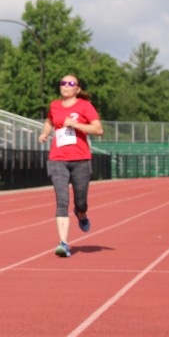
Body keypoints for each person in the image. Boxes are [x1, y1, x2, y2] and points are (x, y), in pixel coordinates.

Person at [38, 75, 103, 258]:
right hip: (57, 159)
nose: (66, 86)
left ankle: (81, 213)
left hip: (80, 160)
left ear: (78, 89)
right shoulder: (54, 106)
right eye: (63, 83)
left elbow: (98, 130)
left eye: (71, 83)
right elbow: (49, 121)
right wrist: (44, 134)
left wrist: (75, 124)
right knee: (62, 200)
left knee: (80, 201)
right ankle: (63, 243)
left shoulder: (85, 106)